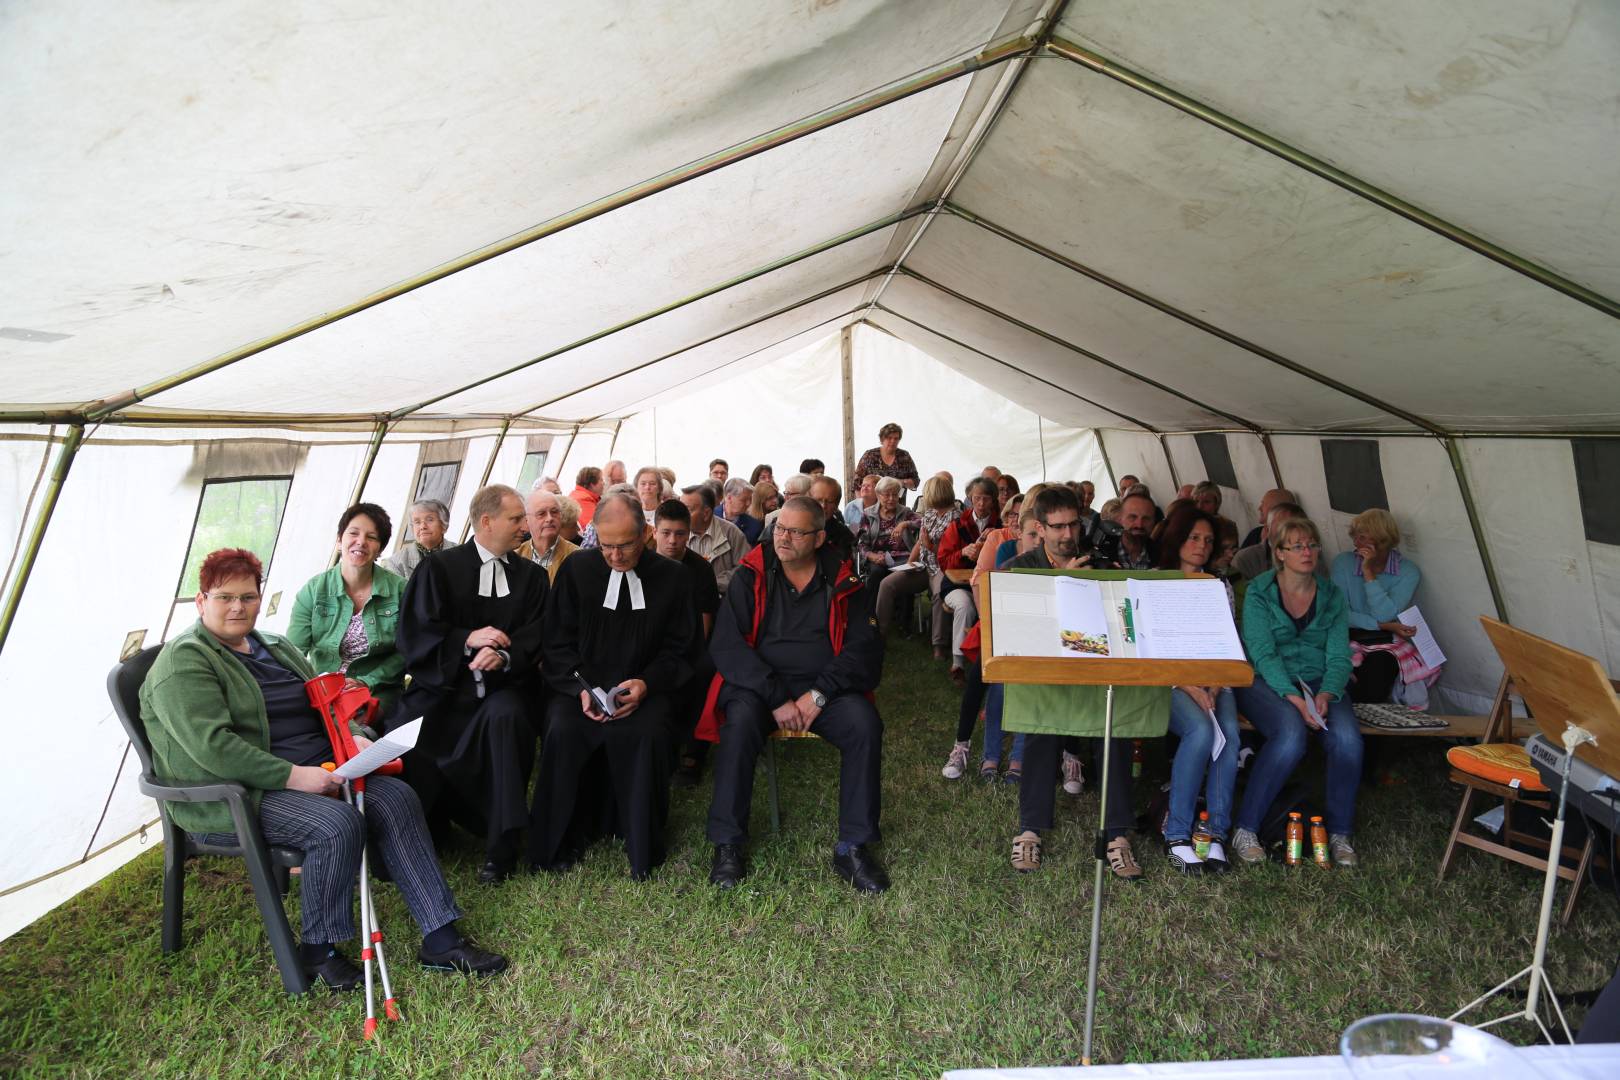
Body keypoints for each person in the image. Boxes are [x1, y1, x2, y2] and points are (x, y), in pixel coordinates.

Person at [141, 548, 507, 989]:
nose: (238, 607)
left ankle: (440, 939)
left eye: (248, 596)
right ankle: (317, 951)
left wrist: (354, 738)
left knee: (397, 798)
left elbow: (323, 702)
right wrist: (298, 777)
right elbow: (214, 749)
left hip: (320, 766)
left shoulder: (271, 646)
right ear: (201, 602)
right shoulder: (185, 662)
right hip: (233, 794)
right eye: (224, 597)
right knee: (337, 824)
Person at [700, 496, 888, 893]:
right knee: (739, 726)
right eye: (779, 528)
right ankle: (727, 843)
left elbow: (863, 648)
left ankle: (853, 845)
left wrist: (819, 694)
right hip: (760, 687)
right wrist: (775, 697)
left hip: (825, 689)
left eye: (795, 531)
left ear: (819, 537)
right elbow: (728, 645)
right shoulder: (751, 573)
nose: (782, 538)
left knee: (864, 725)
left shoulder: (843, 579)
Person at [529, 494, 695, 880]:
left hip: (647, 691)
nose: (616, 556)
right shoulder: (576, 570)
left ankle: (639, 843)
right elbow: (557, 643)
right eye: (606, 546)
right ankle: (559, 841)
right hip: (582, 690)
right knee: (564, 729)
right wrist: (581, 688)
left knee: (647, 732)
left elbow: (683, 650)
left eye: (626, 545)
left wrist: (646, 684)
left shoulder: (674, 578)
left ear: (647, 535)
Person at [396, 484, 548, 883]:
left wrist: (505, 655)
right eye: (516, 519)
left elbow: (538, 633)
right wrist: (465, 638)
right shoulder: (440, 568)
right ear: (486, 522)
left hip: (503, 687)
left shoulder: (532, 578)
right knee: (407, 725)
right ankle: (423, 831)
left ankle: (502, 845)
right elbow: (416, 632)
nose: (524, 527)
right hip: (446, 683)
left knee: (507, 720)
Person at [1002, 486, 1151, 879]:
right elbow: (1016, 629)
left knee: (1113, 729)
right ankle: (1029, 830)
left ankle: (1117, 835)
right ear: (1040, 527)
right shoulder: (1023, 568)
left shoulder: (1100, 562)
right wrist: (1064, 583)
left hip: (1095, 675)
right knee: (1040, 730)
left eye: (1074, 524)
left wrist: (1112, 588)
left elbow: (1121, 626)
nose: (1069, 534)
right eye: (1059, 527)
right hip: (1046, 677)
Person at [1230, 517, 1361, 868]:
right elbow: (1262, 651)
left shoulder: (1331, 595)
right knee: (1290, 735)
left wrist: (1328, 693)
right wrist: (1293, 697)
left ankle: (1340, 833)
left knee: (1347, 741)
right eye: (1297, 546)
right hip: (1267, 679)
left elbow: (1338, 655)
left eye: (1312, 544)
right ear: (1280, 554)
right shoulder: (1260, 592)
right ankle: (1246, 828)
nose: (1307, 551)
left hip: (1319, 680)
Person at [1152, 506, 1241, 875]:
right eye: (1194, 538)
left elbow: (1230, 641)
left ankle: (1215, 834)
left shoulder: (1219, 585)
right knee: (1201, 731)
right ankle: (1177, 834)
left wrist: (1216, 686)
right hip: (1168, 679)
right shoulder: (1155, 581)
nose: (1201, 545)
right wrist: (1191, 686)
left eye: (1207, 540)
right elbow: (1150, 645)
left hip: (1215, 677)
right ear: (1177, 539)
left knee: (1231, 737)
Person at [287, 503, 408, 722]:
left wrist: (366, 682)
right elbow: (293, 652)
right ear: (339, 540)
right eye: (353, 533)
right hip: (324, 690)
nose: (361, 541)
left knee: (354, 723)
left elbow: (407, 652)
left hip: (377, 691)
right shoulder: (314, 590)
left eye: (371, 537)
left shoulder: (401, 590)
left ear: (380, 548)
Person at [945, 507, 1040, 784]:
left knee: (1025, 686)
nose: (1038, 539)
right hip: (999, 626)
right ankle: (972, 749)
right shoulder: (1006, 549)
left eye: (1040, 532)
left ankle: (1019, 758)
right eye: (1031, 533)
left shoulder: (1050, 559)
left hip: (1032, 634)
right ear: (1018, 531)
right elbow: (986, 587)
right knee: (990, 679)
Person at [650, 499, 721, 788]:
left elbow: (704, 625)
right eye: (666, 533)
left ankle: (693, 753)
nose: (672, 541)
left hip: (688, 644)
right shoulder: (641, 563)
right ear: (654, 532)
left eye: (680, 534)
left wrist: (684, 655)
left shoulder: (699, 569)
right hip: (647, 644)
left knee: (703, 670)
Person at [1330, 508, 1432, 706]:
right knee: (1338, 670)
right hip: (1346, 635)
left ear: (1382, 540)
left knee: (1380, 668)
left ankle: (1368, 726)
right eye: (1355, 536)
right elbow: (1339, 613)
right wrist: (1383, 625)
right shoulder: (1343, 563)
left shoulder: (1407, 572)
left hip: (1384, 641)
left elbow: (1385, 614)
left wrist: (1368, 574)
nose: (1355, 543)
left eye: (1362, 537)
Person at [935, 476, 999, 681]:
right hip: (956, 585)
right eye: (977, 498)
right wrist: (963, 552)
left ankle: (992, 658)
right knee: (965, 605)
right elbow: (943, 562)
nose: (981, 504)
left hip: (989, 584)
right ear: (970, 498)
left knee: (994, 608)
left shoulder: (1000, 525)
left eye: (986, 499)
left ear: (993, 500)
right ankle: (958, 662)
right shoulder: (958, 524)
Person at [857, 475, 919, 602]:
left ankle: (904, 616)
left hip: (903, 557)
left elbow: (923, 523)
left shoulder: (905, 512)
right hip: (877, 558)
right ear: (878, 495)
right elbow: (861, 544)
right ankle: (872, 614)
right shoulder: (868, 514)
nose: (891, 499)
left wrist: (904, 524)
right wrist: (872, 556)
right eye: (886, 495)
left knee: (905, 573)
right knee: (876, 573)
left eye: (895, 495)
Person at [681, 482, 749, 594]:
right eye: (680, 508)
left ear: (706, 513)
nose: (681, 514)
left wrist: (712, 584)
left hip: (722, 601)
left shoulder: (731, 533)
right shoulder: (676, 534)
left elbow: (745, 569)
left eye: (687, 510)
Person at [515, 487, 578, 584]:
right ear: (527, 520)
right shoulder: (515, 556)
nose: (549, 518)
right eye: (541, 514)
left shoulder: (577, 557)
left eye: (554, 512)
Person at [1231, 500, 1305, 581]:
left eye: (1294, 527)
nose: (1287, 531)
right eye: (1282, 525)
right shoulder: (1246, 559)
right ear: (1267, 527)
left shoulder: (1309, 555)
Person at [381, 499, 449, 579]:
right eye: (417, 522)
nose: (423, 526)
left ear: (444, 525)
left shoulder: (462, 556)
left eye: (430, 520)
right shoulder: (395, 563)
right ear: (412, 528)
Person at [854, 422, 920, 490]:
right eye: (889, 438)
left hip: (897, 499)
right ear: (882, 439)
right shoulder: (870, 455)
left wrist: (902, 482)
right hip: (873, 499)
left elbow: (915, 481)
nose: (893, 441)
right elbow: (857, 482)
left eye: (896, 438)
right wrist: (861, 500)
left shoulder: (904, 456)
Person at [809, 475, 857, 563]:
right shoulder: (794, 526)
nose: (823, 506)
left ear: (836, 505)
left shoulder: (844, 535)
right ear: (809, 500)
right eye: (819, 500)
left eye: (829, 501)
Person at [1114, 490, 1159, 569]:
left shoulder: (1163, 556)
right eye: (1132, 517)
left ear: (1154, 522)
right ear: (1120, 519)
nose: (1139, 525)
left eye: (1146, 519)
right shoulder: (1104, 551)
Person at [721, 477, 762, 544]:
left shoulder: (754, 526)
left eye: (750, 499)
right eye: (744, 500)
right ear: (729, 498)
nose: (748, 503)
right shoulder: (710, 518)